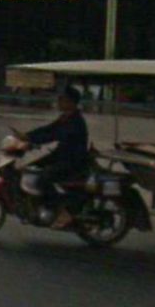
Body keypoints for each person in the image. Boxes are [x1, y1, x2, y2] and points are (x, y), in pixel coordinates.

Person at [24, 86, 89, 229]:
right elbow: (48, 129)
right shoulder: (65, 118)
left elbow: (54, 135)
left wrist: (34, 141)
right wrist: (27, 136)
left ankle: (60, 211)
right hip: (61, 156)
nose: (58, 102)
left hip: (72, 161)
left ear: (71, 102)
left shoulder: (76, 121)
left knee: (44, 177)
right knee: (30, 167)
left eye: (62, 99)